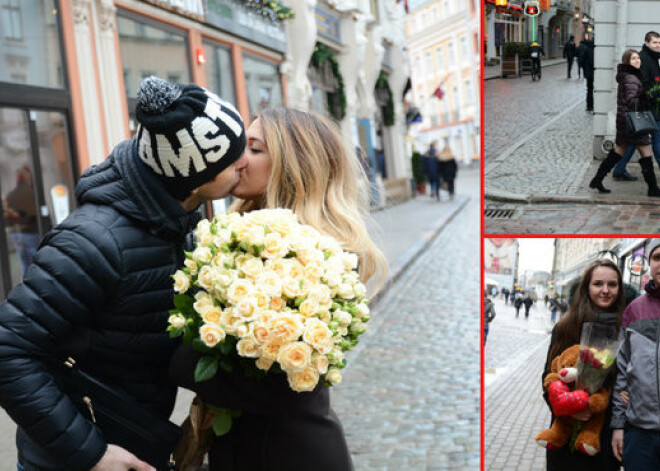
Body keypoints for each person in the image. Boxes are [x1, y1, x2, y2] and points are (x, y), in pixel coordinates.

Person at [0, 76, 247, 471]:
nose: (244, 162)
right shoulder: (91, 241)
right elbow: (9, 350)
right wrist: (91, 453)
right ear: (194, 176)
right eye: (232, 157)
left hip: (133, 441)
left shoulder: (173, 221)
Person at [170, 107, 388, 471]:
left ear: (295, 164)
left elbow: (283, 392)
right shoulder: (241, 232)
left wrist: (174, 357)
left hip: (288, 454)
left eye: (254, 149)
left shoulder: (318, 252)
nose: (238, 160)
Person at [542, 259, 625, 471]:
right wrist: (569, 408)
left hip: (602, 436)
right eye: (598, 284)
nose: (605, 290)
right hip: (566, 431)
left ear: (619, 288)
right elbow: (547, 378)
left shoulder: (624, 327)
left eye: (612, 285)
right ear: (587, 287)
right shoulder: (566, 326)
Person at [611, 241, 660, 470]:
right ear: (649, 263)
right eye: (657, 257)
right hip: (639, 436)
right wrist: (618, 426)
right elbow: (622, 371)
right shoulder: (634, 310)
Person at [588, 49, 660, 196]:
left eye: (638, 58)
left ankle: (597, 180)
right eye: (633, 59)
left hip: (625, 121)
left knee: (618, 151)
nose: (637, 61)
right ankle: (653, 189)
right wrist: (649, 97)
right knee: (646, 152)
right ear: (627, 61)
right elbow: (631, 101)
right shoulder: (631, 78)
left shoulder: (628, 76)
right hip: (634, 123)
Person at [613, 32, 660, 182]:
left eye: (659, 42)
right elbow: (642, 85)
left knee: (633, 141)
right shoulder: (644, 59)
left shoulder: (653, 58)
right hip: (649, 109)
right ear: (646, 43)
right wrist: (653, 94)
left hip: (649, 108)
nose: (657, 45)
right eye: (654, 42)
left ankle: (619, 169)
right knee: (657, 142)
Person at [3, 166, 39, 276]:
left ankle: (26, 287)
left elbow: (8, 217)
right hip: (30, 232)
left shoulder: (10, 195)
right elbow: (33, 213)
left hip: (16, 234)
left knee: (25, 264)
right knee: (36, 263)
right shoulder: (33, 193)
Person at [582, 38, 595, 112]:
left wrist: (585, 72)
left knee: (589, 90)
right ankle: (595, 104)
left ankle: (589, 105)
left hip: (589, 74)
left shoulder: (587, 49)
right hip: (596, 74)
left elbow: (583, 61)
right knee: (596, 90)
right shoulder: (598, 50)